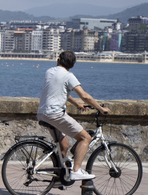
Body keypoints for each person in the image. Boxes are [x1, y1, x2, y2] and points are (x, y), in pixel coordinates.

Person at [37, 51, 110, 181]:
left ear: (58, 60)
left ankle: (60, 178)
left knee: (64, 145)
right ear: (73, 64)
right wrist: (101, 108)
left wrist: (77, 104)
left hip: (42, 114)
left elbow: (62, 91)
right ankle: (76, 171)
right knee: (85, 138)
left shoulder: (49, 72)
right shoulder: (68, 76)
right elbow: (85, 96)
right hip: (55, 114)